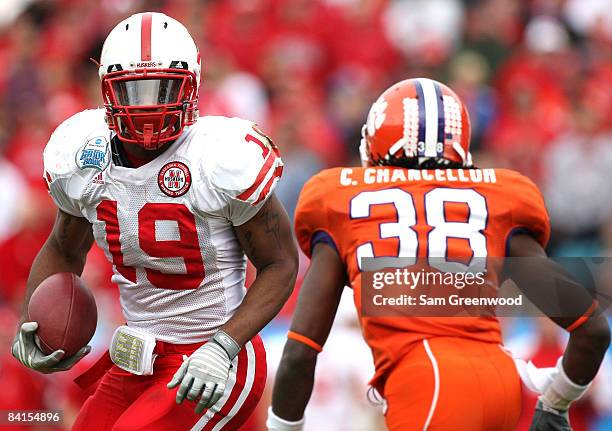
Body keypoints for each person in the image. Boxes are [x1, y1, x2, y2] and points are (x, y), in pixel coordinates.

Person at [267, 78, 610, 431]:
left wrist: (282, 427)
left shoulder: (341, 202)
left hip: (426, 386)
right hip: (503, 385)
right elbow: (593, 329)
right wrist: (555, 403)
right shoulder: (497, 201)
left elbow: (300, 354)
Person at [11, 12, 298, 431]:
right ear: (106, 90)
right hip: (137, 358)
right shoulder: (84, 156)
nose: (147, 107)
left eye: (161, 89)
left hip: (215, 358)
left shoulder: (218, 156)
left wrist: (223, 346)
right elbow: (62, 247)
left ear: (192, 86)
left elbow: (281, 264)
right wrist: (33, 321)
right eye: (132, 91)